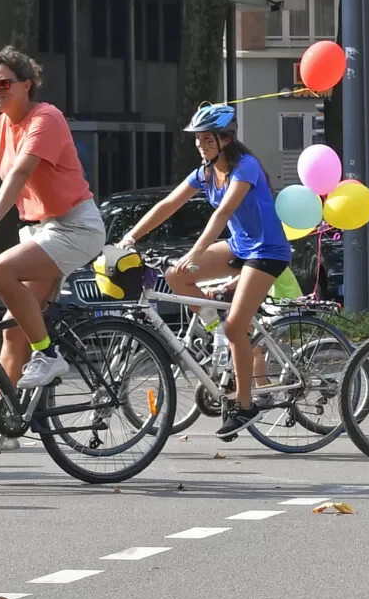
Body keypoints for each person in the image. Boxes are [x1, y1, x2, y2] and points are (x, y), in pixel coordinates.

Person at [0, 47, 106, 454]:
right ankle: (3, 426)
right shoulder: (3, 125)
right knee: (12, 333)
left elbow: (23, 170)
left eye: (4, 83)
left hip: (75, 226)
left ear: (27, 85)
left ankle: (49, 355)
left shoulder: (45, 118)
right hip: (40, 230)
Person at [106, 103, 292, 440]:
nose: (200, 146)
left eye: (207, 140)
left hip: (268, 252)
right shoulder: (205, 172)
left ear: (225, 139)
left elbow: (221, 214)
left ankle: (246, 406)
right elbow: (167, 205)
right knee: (175, 277)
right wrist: (129, 237)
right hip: (240, 247)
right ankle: (216, 326)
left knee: (236, 326)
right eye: (197, 141)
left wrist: (195, 252)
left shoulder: (245, 168)